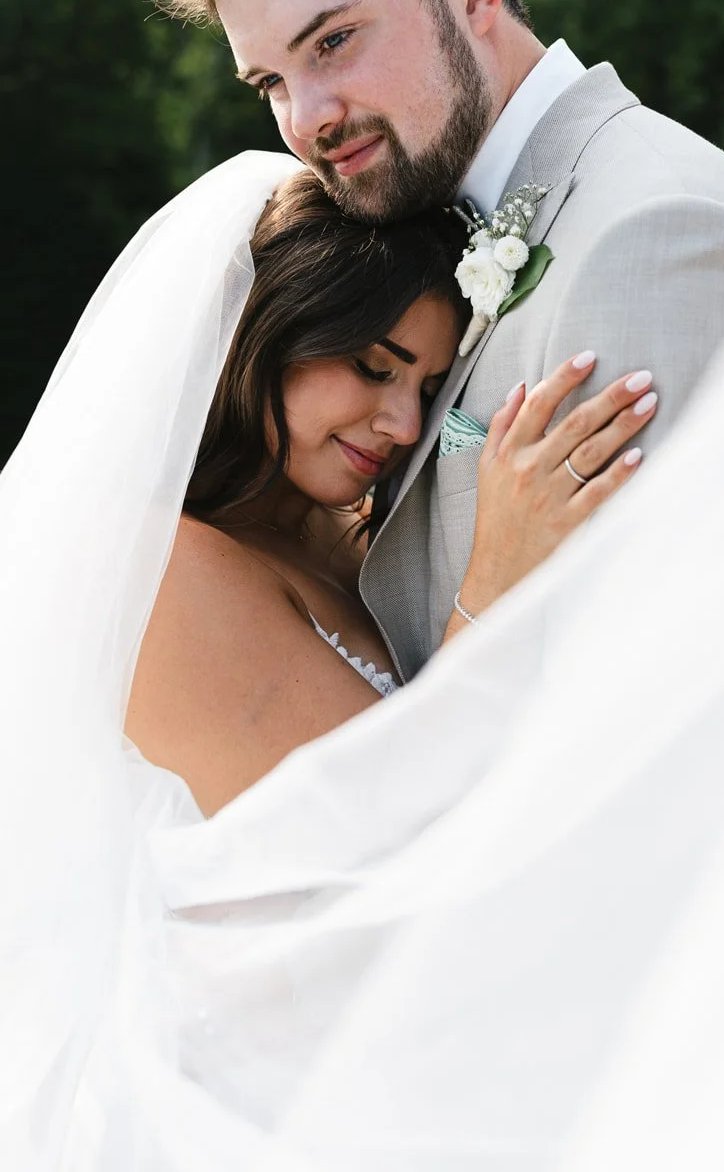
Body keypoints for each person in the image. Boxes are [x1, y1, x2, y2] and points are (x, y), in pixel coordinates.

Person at [137, 0, 724, 680]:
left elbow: (671, 692)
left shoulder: (651, 236)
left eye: (331, 42)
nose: (307, 121)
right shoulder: (443, 233)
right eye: (270, 83)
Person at [125, 167, 658, 815]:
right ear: (267, 335)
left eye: (430, 393)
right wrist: (494, 577)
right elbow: (377, 834)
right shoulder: (162, 575)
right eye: (375, 369)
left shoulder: (347, 526)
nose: (405, 427)